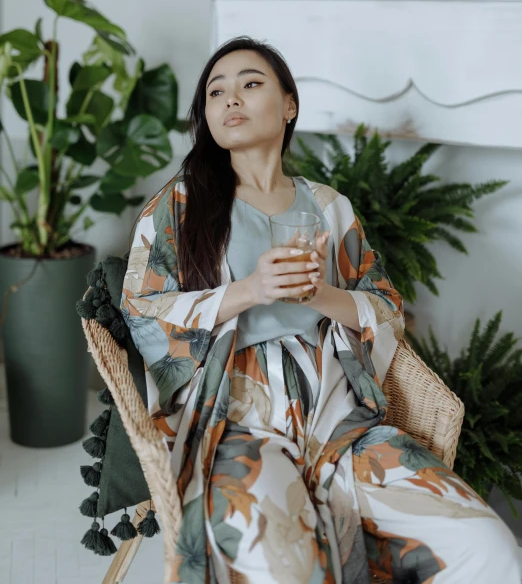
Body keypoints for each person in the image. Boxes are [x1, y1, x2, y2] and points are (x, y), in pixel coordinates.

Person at [120, 36, 520, 584]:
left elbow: (387, 309)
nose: (231, 99)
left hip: (344, 427)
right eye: (216, 92)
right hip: (239, 431)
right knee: (288, 569)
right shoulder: (182, 205)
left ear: (289, 105)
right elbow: (141, 310)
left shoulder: (330, 208)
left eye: (250, 83)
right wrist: (252, 290)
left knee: (488, 548)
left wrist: (320, 297)